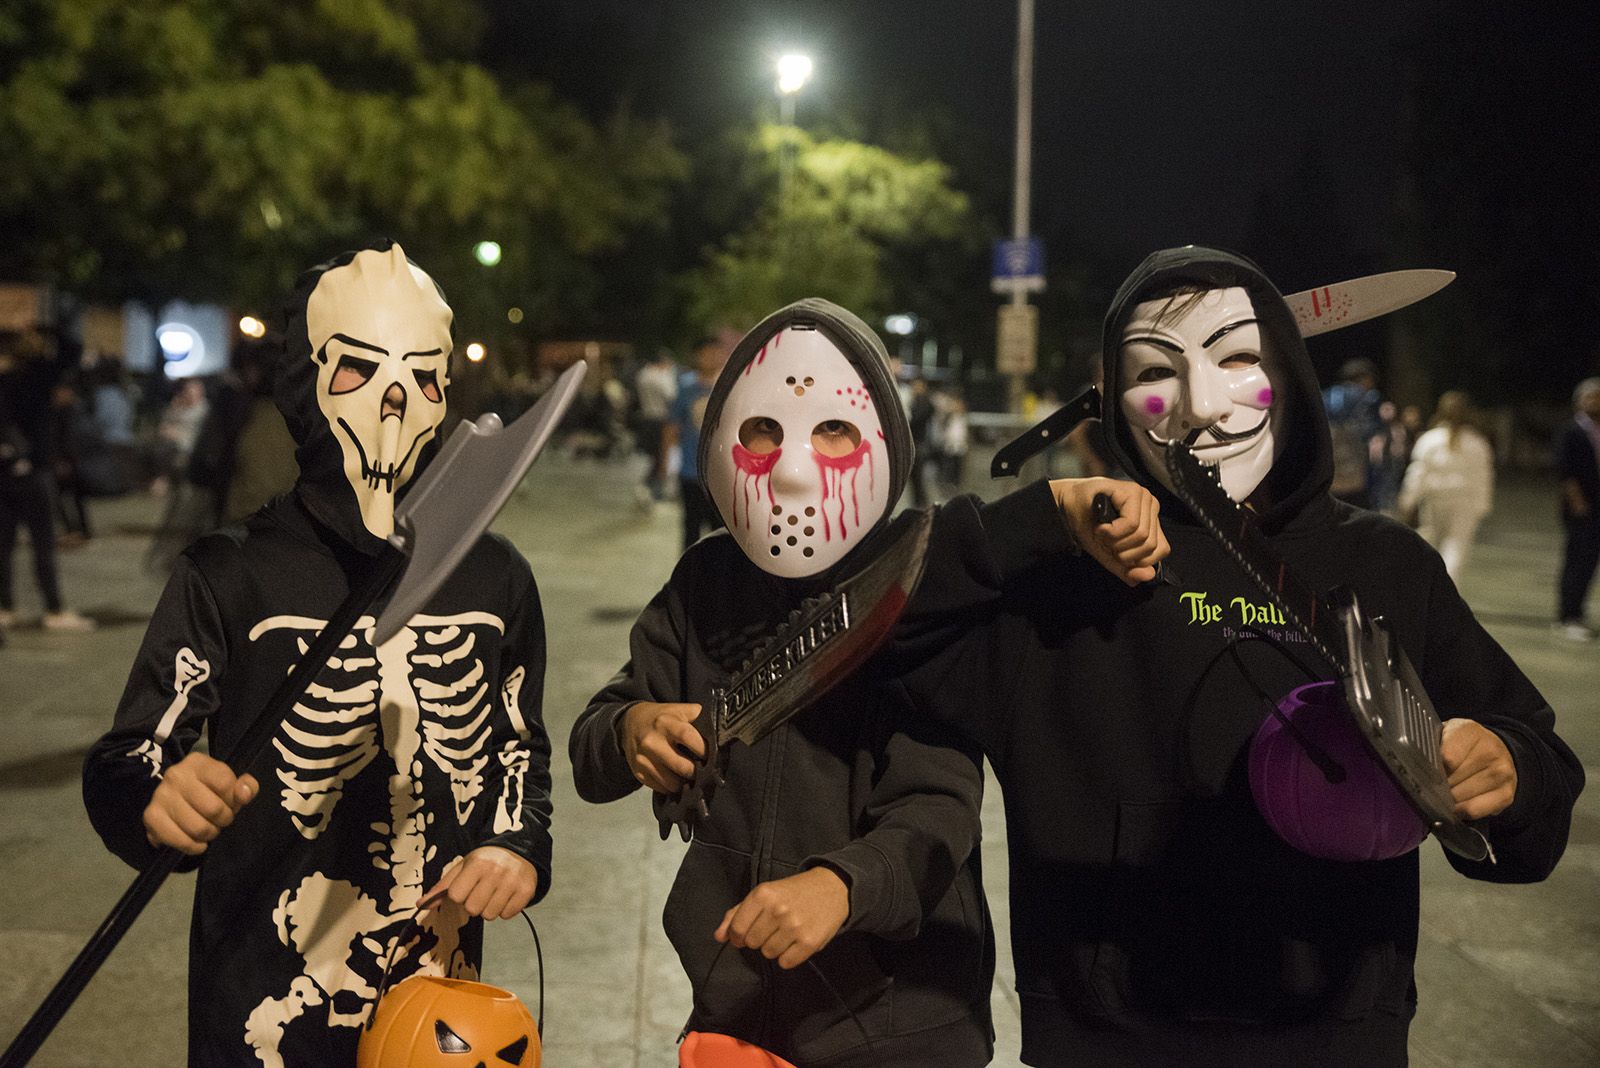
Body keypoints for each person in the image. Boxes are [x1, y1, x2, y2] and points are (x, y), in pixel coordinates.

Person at [895, 247, 1583, 1067]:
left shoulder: (1388, 566)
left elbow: (1537, 775)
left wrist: (1507, 767)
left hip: (1335, 1035)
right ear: (1113, 400)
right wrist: (1029, 524)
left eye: (1238, 358)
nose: (1200, 404)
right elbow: (870, 627)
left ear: (1288, 374)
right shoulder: (1058, 579)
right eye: (1158, 370)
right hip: (1108, 1040)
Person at [569, 298, 1169, 1066]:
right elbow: (596, 744)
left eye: (834, 430)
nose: (793, 468)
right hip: (739, 1010)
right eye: (762, 430)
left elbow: (939, 812)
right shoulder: (703, 585)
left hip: (898, 1025)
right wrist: (630, 732)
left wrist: (842, 888)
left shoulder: (917, 596)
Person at [83, 242, 554, 1066]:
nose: (395, 404)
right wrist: (156, 797)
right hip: (261, 999)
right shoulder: (230, 572)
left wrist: (515, 847)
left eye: (423, 377)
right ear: (304, 384)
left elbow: (518, 749)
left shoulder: (495, 577)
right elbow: (131, 755)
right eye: (358, 372)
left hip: (438, 1008)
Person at [0, 328, 95, 632]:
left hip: (5, 469)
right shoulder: (41, 377)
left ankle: (5, 606)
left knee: (4, 544)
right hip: (36, 471)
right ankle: (53, 608)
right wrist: (47, 327)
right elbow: (73, 347)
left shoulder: (5, 380)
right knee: (43, 544)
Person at [1397, 391, 1496, 580]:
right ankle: (1446, 597)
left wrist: (1407, 500)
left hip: (1435, 500)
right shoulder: (1477, 443)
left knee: (1431, 548)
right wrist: (1481, 507)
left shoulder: (1430, 440)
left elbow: (1418, 473)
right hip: (1464, 504)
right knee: (1455, 550)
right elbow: (1484, 477)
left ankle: (1428, 595)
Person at [663, 332, 731, 550]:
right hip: (690, 472)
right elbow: (672, 427)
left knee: (721, 532)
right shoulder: (685, 387)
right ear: (697, 356)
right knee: (690, 529)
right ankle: (688, 578)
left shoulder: (729, 388)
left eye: (716, 353)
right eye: (706, 353)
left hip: (721, 474)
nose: (712, 358)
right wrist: (666, 462)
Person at [1554, 376, 1600, 640]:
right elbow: (1565, 471)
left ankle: (1579, 612)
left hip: (1597, 507)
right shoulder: (1571, 431)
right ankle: (1567, 615)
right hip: (1581, 508)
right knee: (1577, 561)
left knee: (1590, 563)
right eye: (1589, 397)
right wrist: (1577, 501)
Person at [1322, 356, 1385, 508]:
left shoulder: (1324, 396)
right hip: (1357, 476)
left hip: (1331, 477)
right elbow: (1372, 434)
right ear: (1364, 377)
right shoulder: (1368, 398)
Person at [633, 346, 679, 502]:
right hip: (661, 420)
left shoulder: (642, 375)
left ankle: (651, 487)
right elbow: (671, 395)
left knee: (654, 456)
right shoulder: (660, 377)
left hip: (646, 419)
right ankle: (652, 488)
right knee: (661, 456)